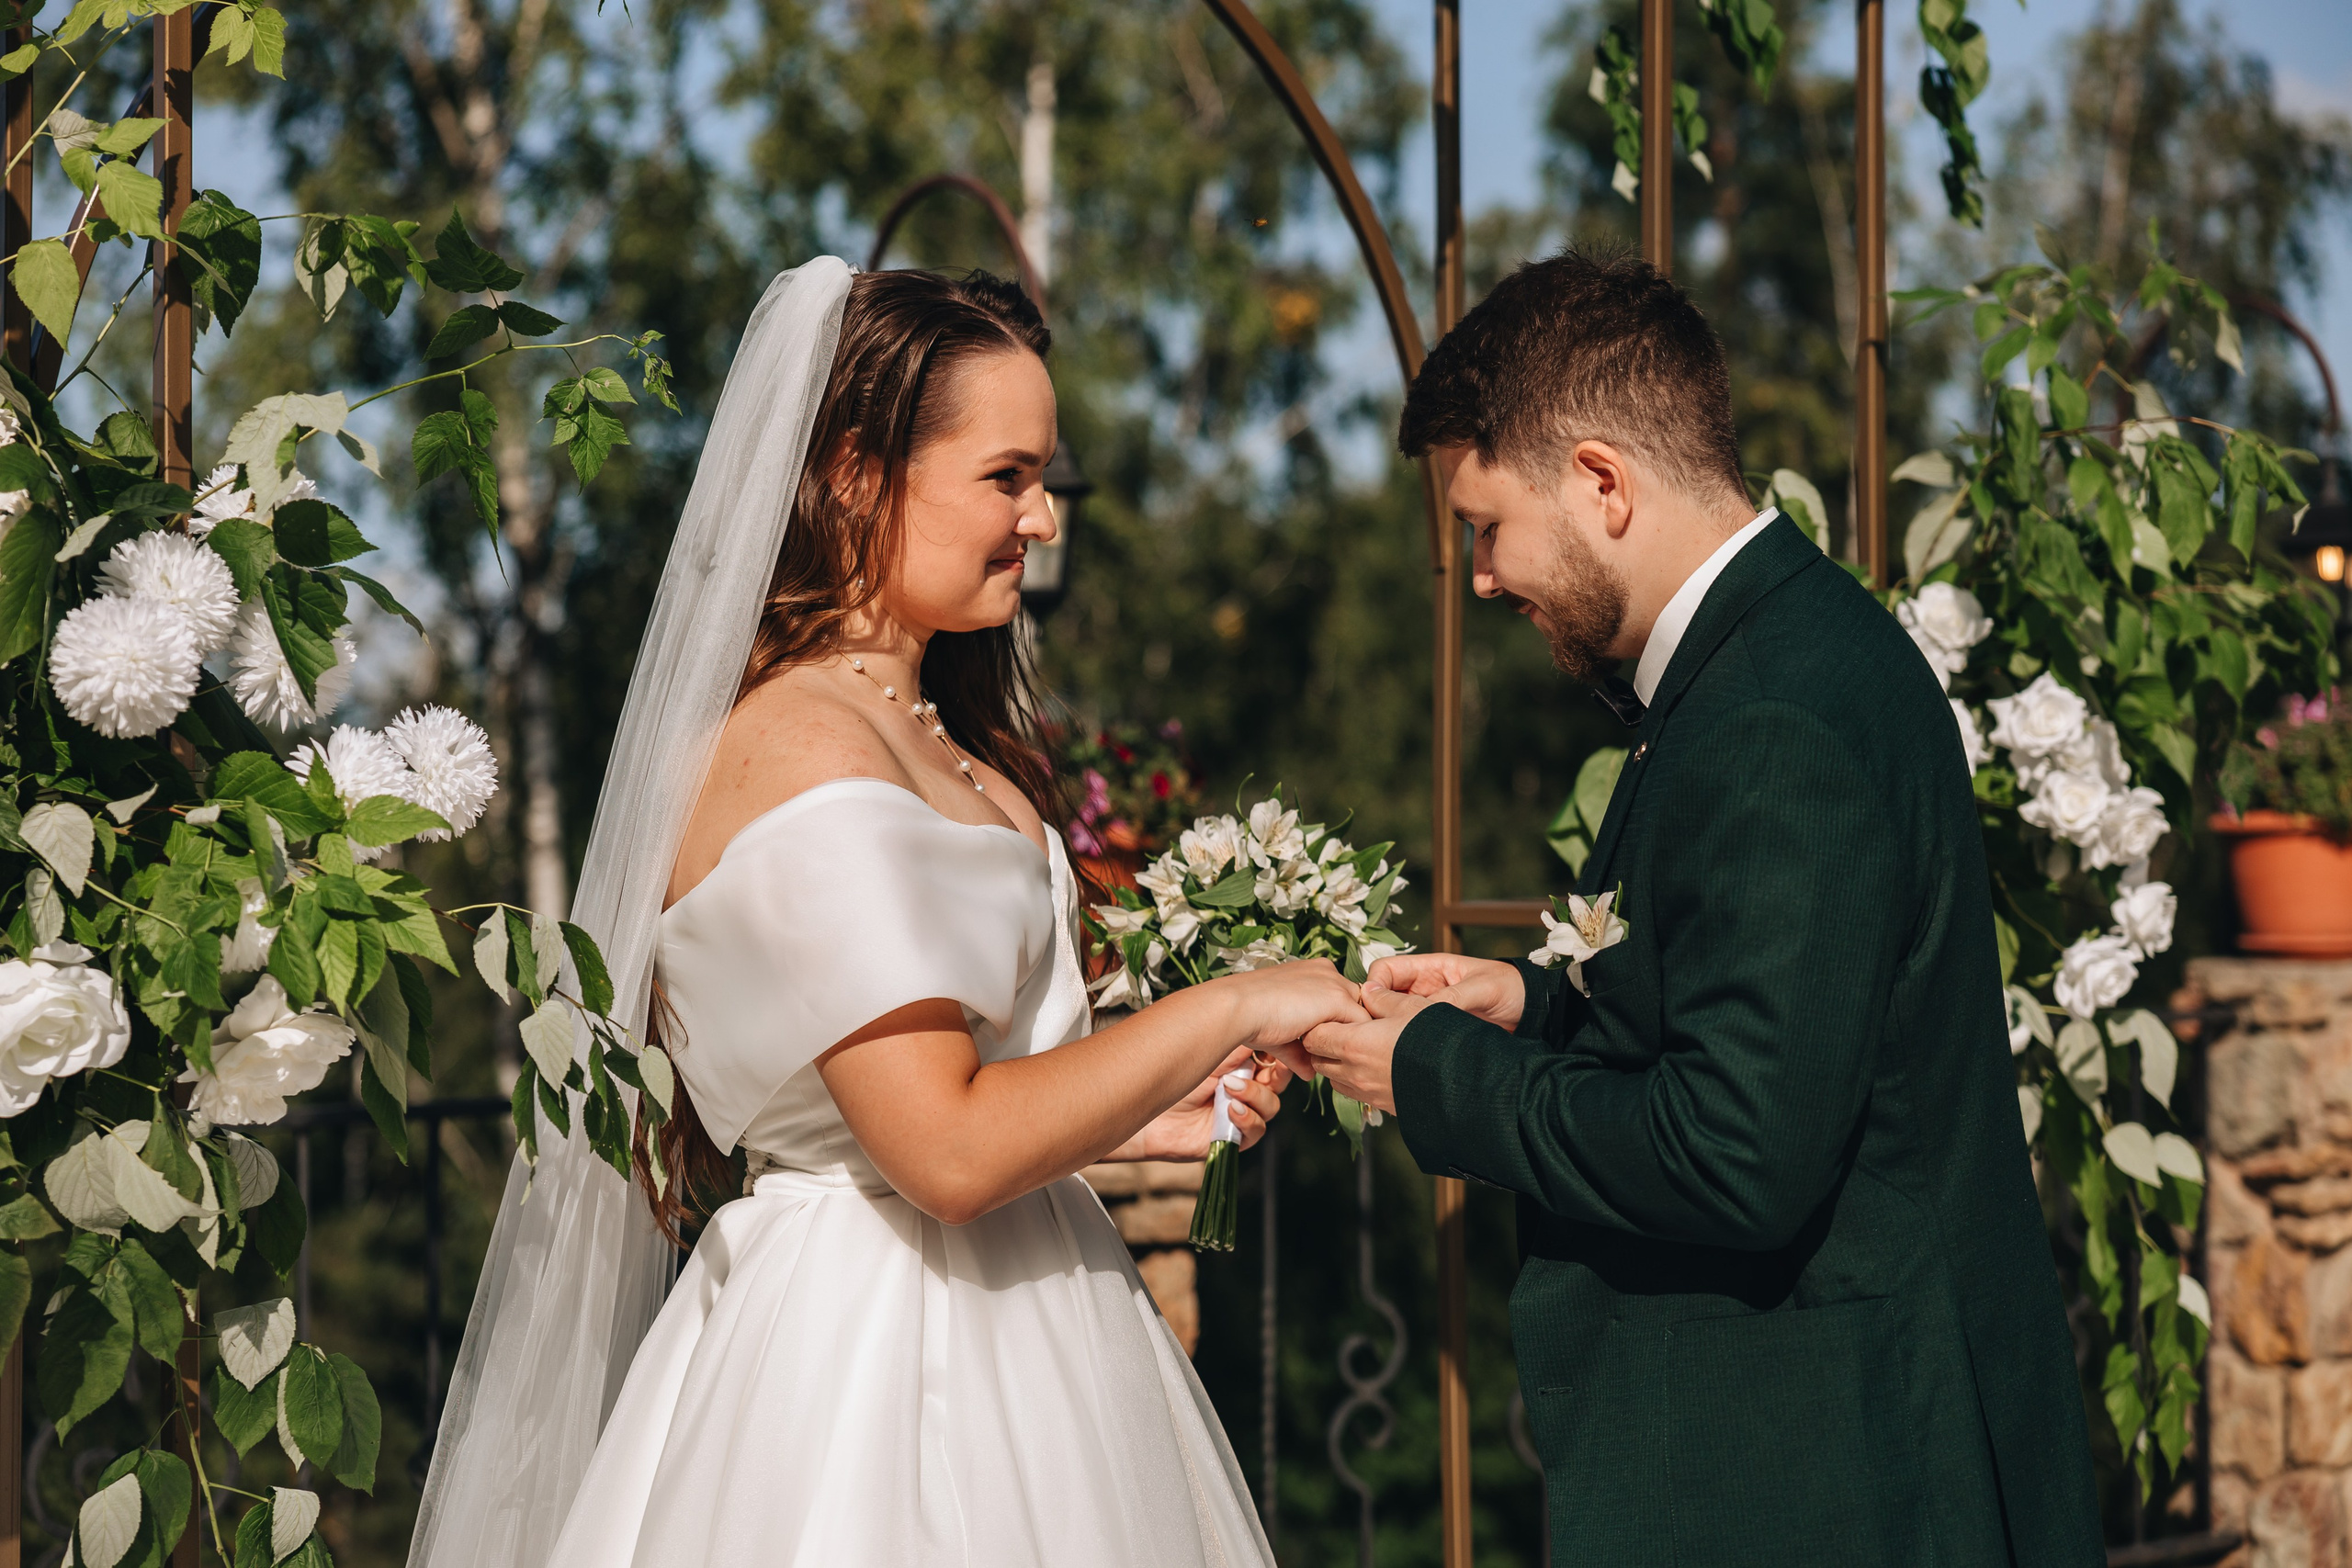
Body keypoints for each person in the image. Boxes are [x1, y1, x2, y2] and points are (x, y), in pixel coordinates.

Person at [408, 259, 1363, 1568]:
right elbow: (946, 1155)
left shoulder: (944, 744)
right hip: (861, 1378)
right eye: (1007, 477)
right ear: (858, 474)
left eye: (1043, 480)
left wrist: (1152, 1116)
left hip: (1044, 1347)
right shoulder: (800, 750)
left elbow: (969, 1104)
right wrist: (1235, 1003)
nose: (1042, 520)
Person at [1294, 251, 2104, 1565]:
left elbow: (1736, 1149)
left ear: (1601, 481)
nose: (1485, 579)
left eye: (1486, 526)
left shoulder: (1773, 717)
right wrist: (1535, 1002)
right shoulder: (1774, 657)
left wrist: (1438, 1073)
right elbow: (1777, 1006)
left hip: (1822, 1477)